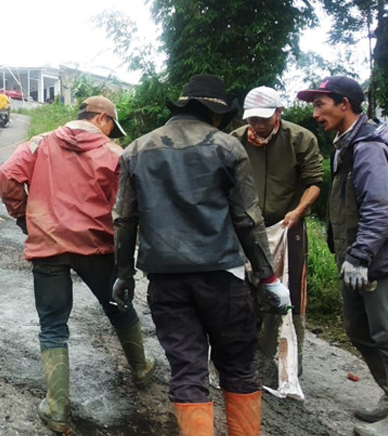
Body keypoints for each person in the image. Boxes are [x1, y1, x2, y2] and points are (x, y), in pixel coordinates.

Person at [112, 75, 291, 436]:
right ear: (217, 114)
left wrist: (124, 274)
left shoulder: (135, 151)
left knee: (187, 371)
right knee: (238, 367)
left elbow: (124, 219)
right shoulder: (227, 148)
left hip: (165, 282)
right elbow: (247, 218)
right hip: (223, 278)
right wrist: (269, 278)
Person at [0, 96, 156, 433]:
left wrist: (23, 215)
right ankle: (141, 370)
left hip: (48, 245)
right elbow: (129, 202)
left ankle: (56, 408)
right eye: (112, 125)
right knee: (118, 305)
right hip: (95, 247)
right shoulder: (113, 153)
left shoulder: (40, 143)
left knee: (53, 325)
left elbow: (7, 175)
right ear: (102, 119)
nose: (112, 133)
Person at [298, 76, 388, 436]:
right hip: (355, 258)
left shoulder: (369, 145)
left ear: (344, 104)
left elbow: (379, 207)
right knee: (358, 330)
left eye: (320, 104)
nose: (315, 113)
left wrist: (360, 255)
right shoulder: (345, 143)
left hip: (378, 261)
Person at [231, 86, 323, 375]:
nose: (257, 125)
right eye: (252, 119)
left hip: (287, 225)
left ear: (279, 113)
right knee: (241, 289)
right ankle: (242, 355)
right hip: (245, 227)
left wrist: (298, 211)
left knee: (289, 293)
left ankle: (286, 362)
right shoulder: (235, 141)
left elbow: (314, 182)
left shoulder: (300, 138)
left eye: (264, 118)